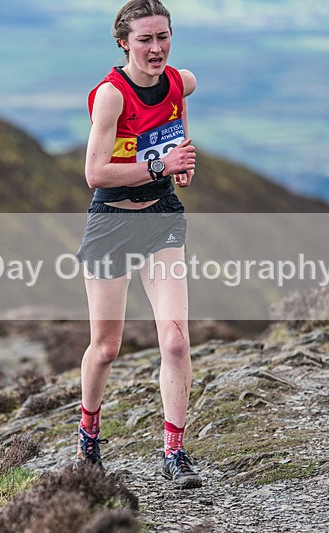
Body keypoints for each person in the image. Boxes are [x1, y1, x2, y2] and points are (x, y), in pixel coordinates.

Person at [74, 0, 201, 489]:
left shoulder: (177, 79)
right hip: (112, 223)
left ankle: (174, 450)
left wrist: (183, 156)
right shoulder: (112, 95)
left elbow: (181, 101)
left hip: (162, 219)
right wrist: (159, 165)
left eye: (163, 36)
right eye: (145, 39)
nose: (156, 48)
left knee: (175, 339)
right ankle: (88, 431)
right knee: (106, 349)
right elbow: (94, 174)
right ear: (124, 42)